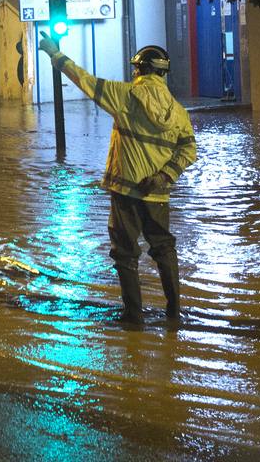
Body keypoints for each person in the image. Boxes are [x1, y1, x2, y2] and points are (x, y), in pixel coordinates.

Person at [38, 38, 196, 324]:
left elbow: (83, 79)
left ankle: (133, 317)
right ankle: (174, 315)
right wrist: (164, 176)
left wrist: (55, 53)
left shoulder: (125, 96)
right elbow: (188, 150)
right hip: (158, 195)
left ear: (141, 70)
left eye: (136, 70)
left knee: (125, 254)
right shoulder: (179, 112)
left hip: (126, 192)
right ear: (163, 73)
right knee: (164, 249)